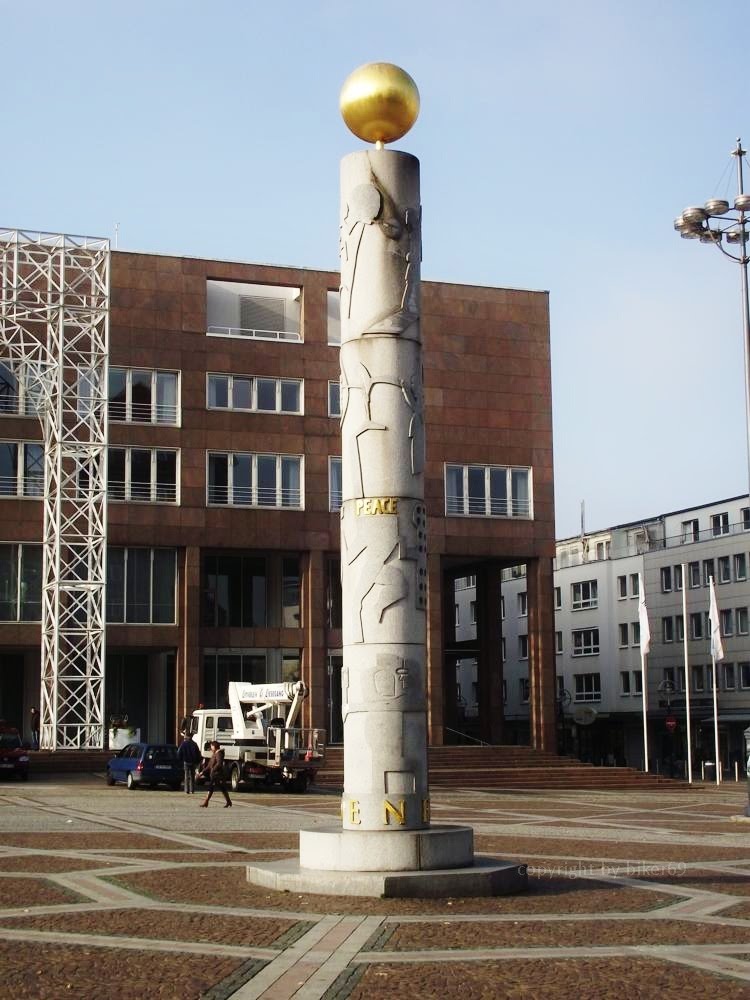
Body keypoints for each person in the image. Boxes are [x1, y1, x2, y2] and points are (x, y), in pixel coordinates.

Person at [199, 740, 232, 808]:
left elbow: (219, 763)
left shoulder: (219, 753)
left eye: (211, 746)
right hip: (214, 774)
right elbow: (209, 765)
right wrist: (203, 772)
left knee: (211, 788)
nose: (211, 747)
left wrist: (213, 769)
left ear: (214, 746)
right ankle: (228, 801)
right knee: (222, 788)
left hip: (217, 774)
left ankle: (206, 802)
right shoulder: (215, 753)